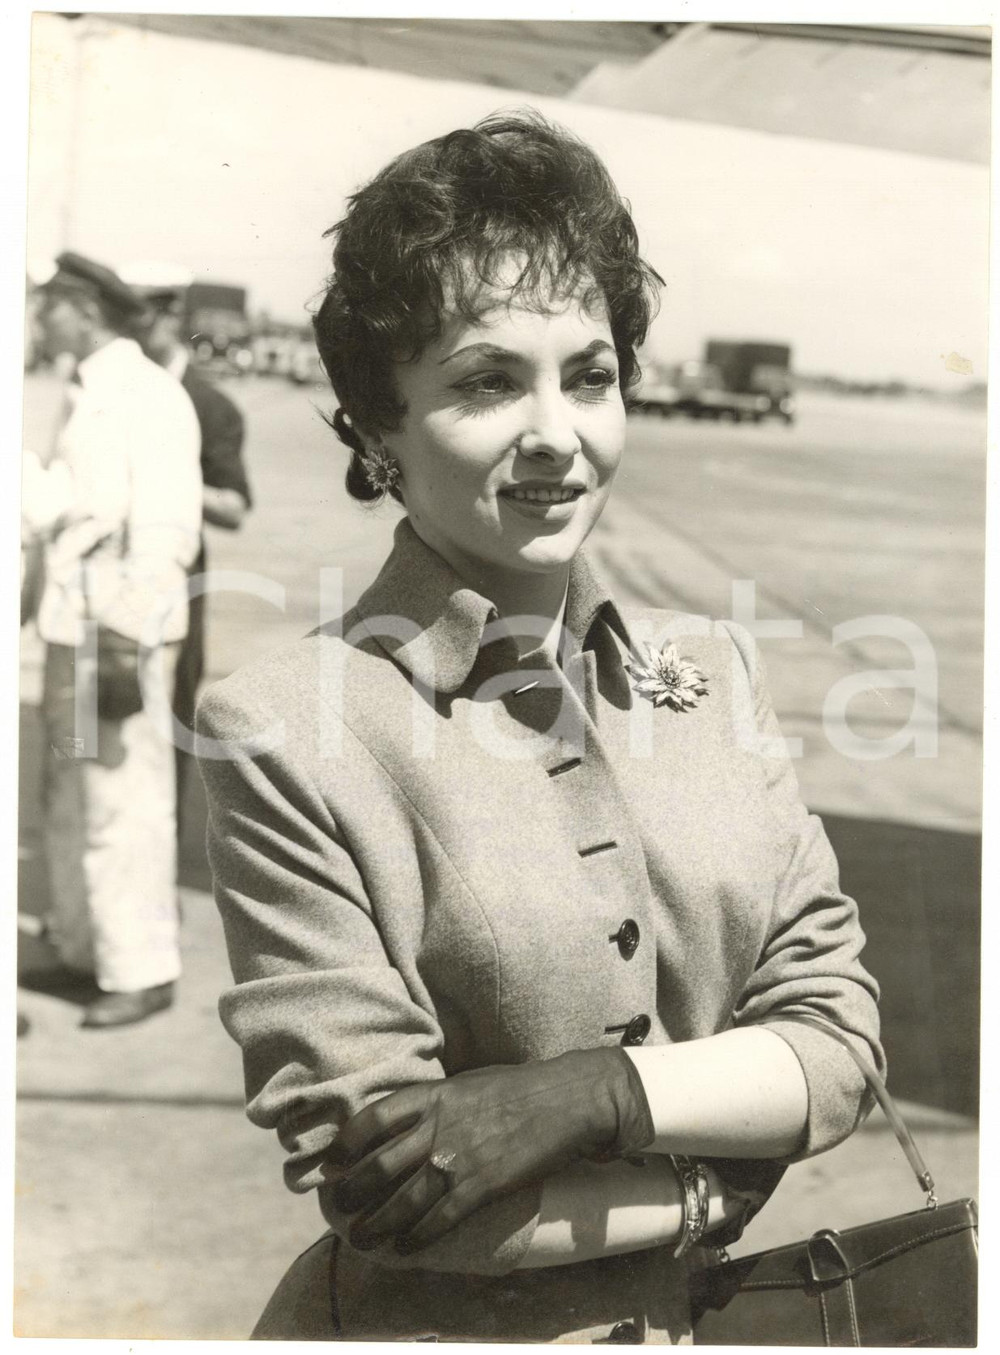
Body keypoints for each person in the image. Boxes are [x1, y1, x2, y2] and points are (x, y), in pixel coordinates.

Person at [196, 113, 883, 1343]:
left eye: (592, 373)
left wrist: (587, 1095)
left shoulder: (709, 670)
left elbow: (840, 1041)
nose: (557, 436)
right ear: (375, 423)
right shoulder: (285, 731)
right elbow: (398, 1196)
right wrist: (724, 1159)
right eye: (485, 380)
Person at [34, 252, 202, 1029]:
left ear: (88, 309)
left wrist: (126, 636)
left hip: (116, 631)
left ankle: (141, 967)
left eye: (50, 307)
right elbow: (69, 507)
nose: (38, 320)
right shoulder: (88, 394)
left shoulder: (148, 395)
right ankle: (82, 948)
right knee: (69, 793)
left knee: (123, 802)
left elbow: (166, 529)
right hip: (74, 626)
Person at [136, 283, 253, 821]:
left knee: (171, 710)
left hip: (177, 584)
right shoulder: (117, 390)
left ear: (172, 319)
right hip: (113, 579)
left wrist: (173, 479)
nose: (137, 329)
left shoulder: (208, 403)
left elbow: (233, 505)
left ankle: (162, 845)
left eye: (148, 316)